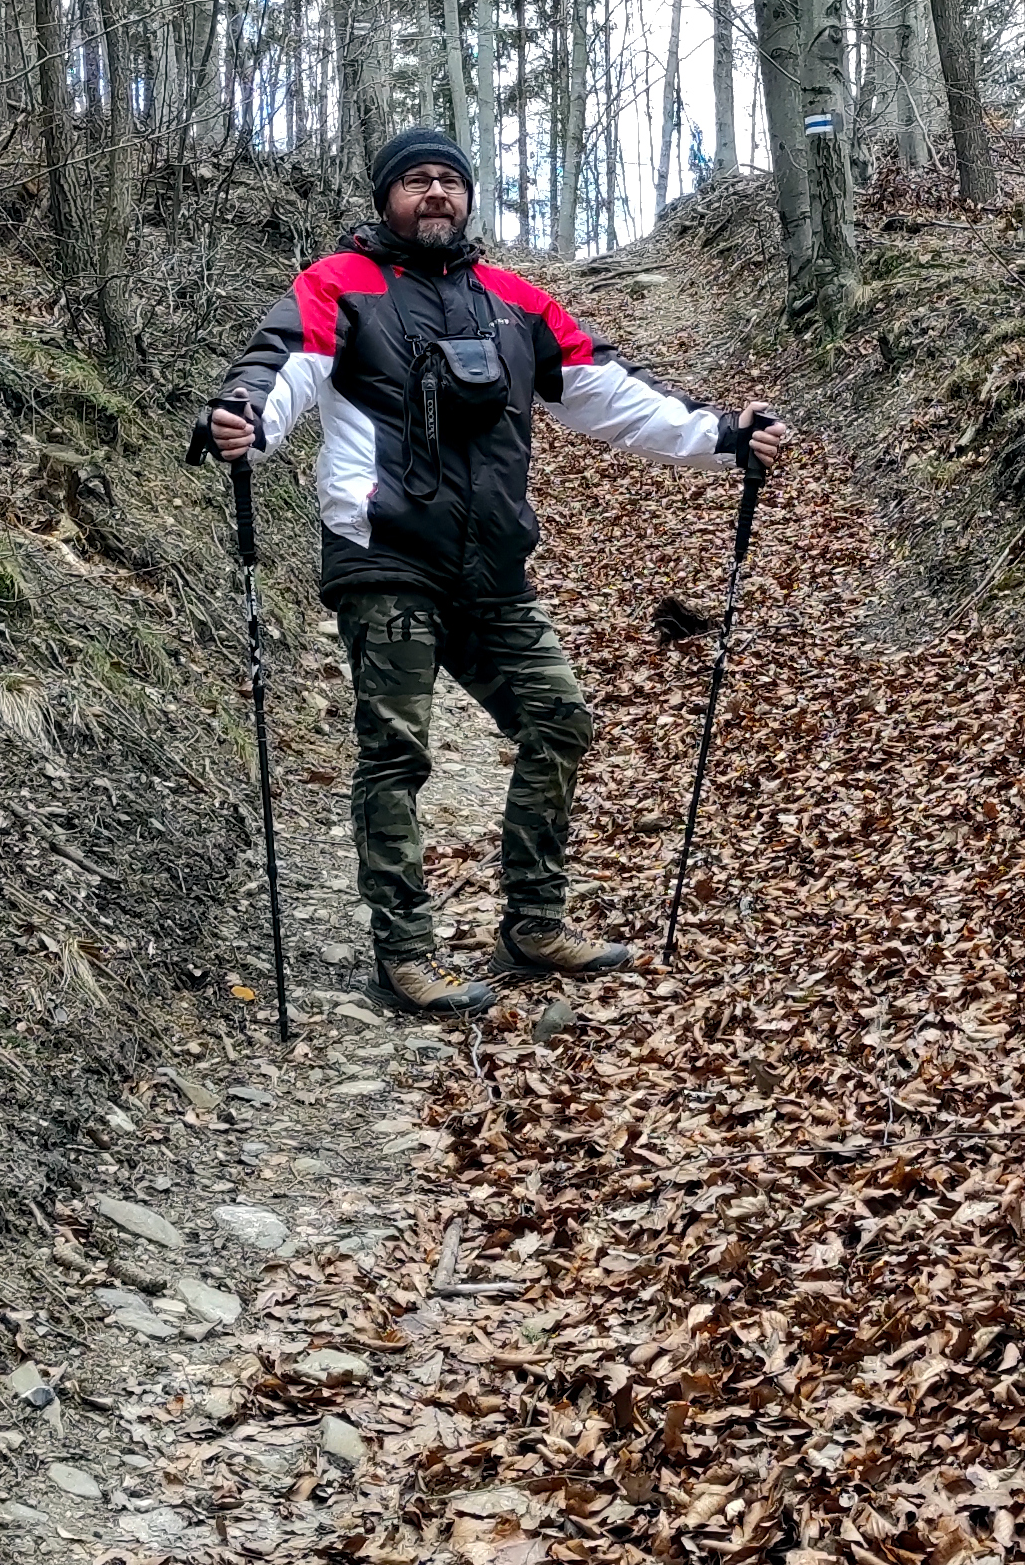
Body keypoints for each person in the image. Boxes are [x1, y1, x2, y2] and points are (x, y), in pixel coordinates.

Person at [201, 127, 789, 1016]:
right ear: (385, 199)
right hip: (384, 561)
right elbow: (280, 370)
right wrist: (244, 416)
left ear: (468, 196)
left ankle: (533, 923)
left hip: (495, 570)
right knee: (395, 756)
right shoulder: (340, 285)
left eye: (448, 180)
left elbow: (609, 391)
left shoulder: (515, 302)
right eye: (414, 182)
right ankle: (404, 953)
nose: (434, 193)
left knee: (559, 720)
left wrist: (722, 437)